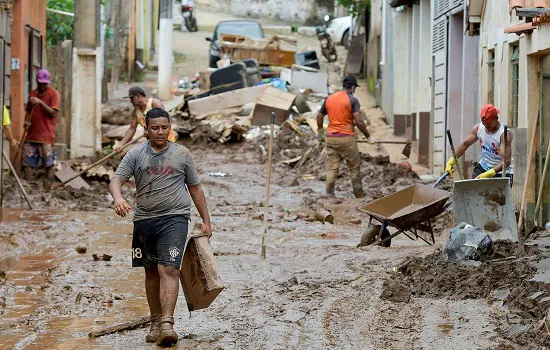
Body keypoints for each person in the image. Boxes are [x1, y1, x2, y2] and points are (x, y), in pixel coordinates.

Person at [109, 108, 212, 346]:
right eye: (155, 128)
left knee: (170, 269)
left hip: (174, 218)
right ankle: (155, 321)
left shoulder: (182, 154)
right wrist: (118, 198)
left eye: (165, 127)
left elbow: (195, 188)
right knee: (151, 271)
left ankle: (167, 323)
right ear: (146, 128)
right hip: (144, 220)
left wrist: (206, 220)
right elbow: (117, 179)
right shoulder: (135, 155)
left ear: (170, 127)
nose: (161, 132)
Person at [316, 75, 374, 198]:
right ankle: (359, 196)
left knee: (332, 168)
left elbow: (319, 116)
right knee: (354, 168)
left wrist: (321, 133)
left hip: (330, 138)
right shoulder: (353, 100)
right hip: (346, 138)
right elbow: (358, 122)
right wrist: (368, 136)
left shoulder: (329, 99)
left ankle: (329, 195)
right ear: (353, 87)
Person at [445, 103, 513, 184]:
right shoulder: (479, 128)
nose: (487, 127)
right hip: (483, 167)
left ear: (496, 118)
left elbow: (506, 161)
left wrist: (489, 174)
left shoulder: (503, 135)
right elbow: (465, 144)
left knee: (496, 196)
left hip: (501, 171)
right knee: (474, 191)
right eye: (484, 124)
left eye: (489, 124)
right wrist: (451, 160)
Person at [23, 69, 60, 189]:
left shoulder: (54, 94)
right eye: (40, 83)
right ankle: (30, 188)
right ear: (37, 82)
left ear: (48, 83)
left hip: (46, 137)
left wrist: (40, 103)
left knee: (49, 164)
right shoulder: (32, 94)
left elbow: (53, 112)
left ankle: (48, 188)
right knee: (27, 163)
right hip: (31, 136)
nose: (42, 85)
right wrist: (26, 121)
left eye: (45, 83)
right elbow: (28, 111)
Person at [114, 86, 177, 153]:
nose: (131, 101)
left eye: (132, 98)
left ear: (138, 96)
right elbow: (132, 129)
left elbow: (164, 122)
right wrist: (121, 144)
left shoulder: (154, 103)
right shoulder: (136, 112)